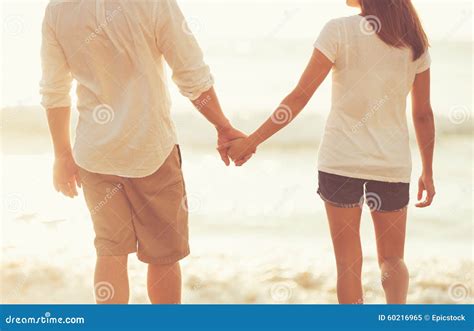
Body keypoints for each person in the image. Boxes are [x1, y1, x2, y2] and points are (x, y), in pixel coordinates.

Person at [223, 0, 436, 304]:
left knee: (348, 264)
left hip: (341, 162)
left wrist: (253, 140)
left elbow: (300, 96)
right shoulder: (414, 42)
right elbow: (423, 114)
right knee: (392, 259)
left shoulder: (338, 30)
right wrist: (428, 170)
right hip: (391, 165)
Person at [40, 0, 247, 304]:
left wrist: (61, 154)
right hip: (152, 150)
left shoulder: (58, 9)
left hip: (95, 155)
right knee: (162, 258)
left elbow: (54, 89)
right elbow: (190, 75)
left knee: (110, 253)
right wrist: (223, 126)